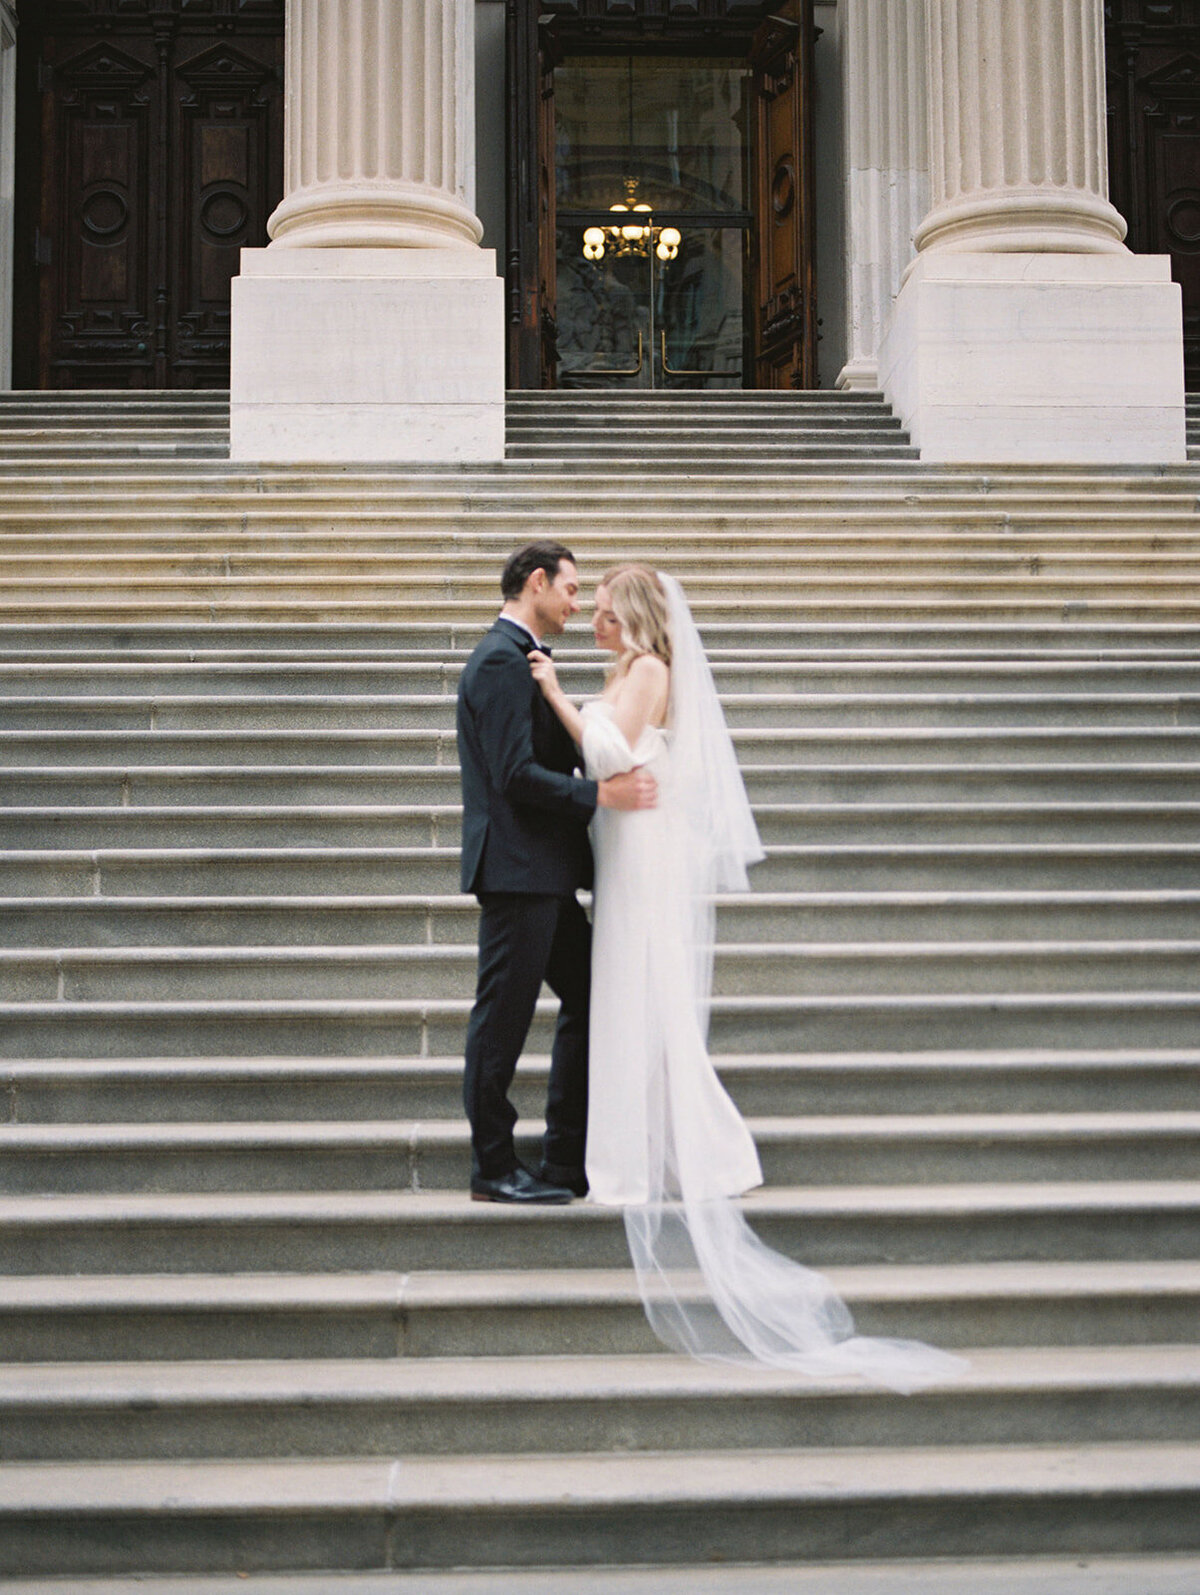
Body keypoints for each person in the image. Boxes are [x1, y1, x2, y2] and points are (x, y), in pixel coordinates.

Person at [530, 565, 965, 1390]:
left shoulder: (651, 670)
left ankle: (681, 1153)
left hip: (643, 853)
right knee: (628, 1000)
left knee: (641, 996)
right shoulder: (630, 671)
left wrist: (556, 696)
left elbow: (610, 751)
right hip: (623, 848)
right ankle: (650, 1149)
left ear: (636, 615)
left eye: (605, 609)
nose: (593, 620)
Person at [456, 541, 657, 1205]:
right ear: (536, 583)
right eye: (571, 590)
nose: (578, 603)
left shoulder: (524, 659)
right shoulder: (498, 661)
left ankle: (564, 1156)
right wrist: (599, 797)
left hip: (545, 871)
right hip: (518, 874)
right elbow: (513, 775)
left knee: (592, 992)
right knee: (501, 1020)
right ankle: (494, 1166)